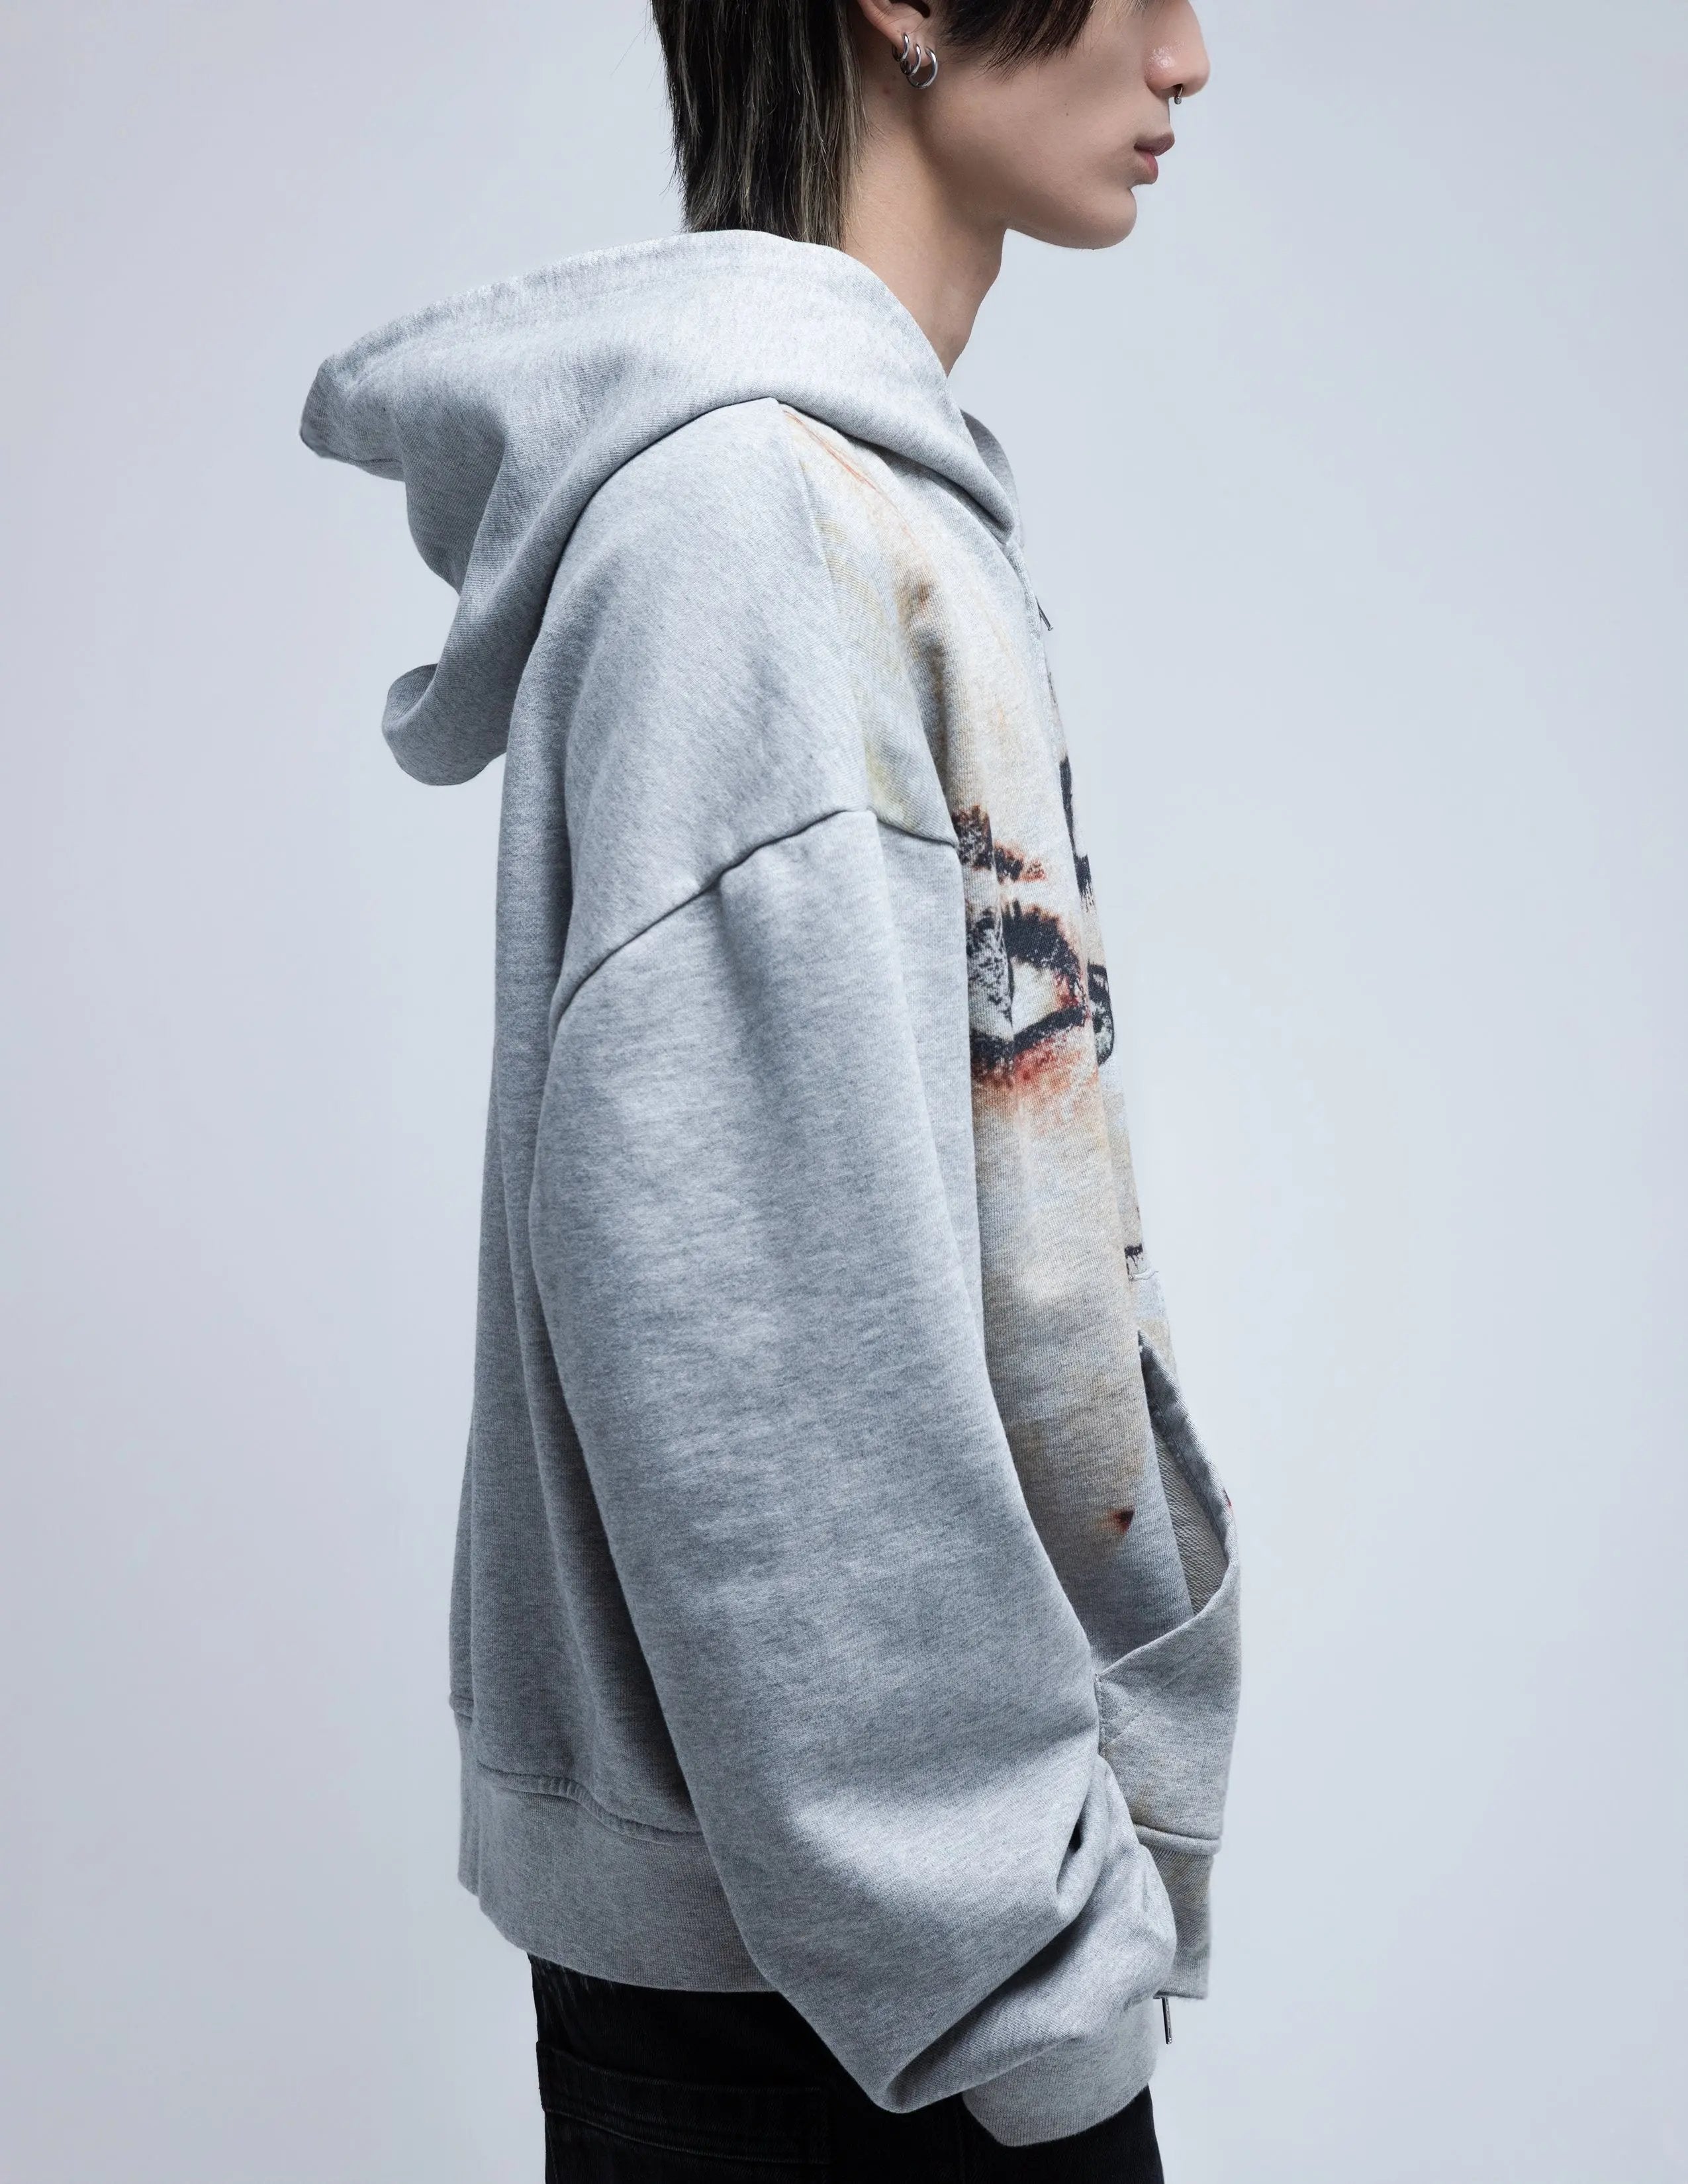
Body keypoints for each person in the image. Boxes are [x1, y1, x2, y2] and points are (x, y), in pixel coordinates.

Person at [303, 1, 1238, 2174]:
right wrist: (1023, 1977)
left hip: (883, 1966)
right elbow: (767, 1357)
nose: (1190, 52)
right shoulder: (749, 533)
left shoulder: (857, 509)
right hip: (858, 2008)